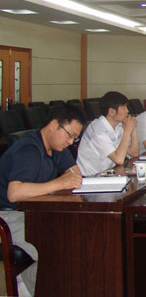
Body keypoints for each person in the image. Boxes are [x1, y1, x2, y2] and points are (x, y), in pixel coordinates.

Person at [0, 105, 86, 296]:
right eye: (70, 135)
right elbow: (14, 193)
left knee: (75, 238)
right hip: (8, 214)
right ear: (54, 125)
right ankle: (27, 289)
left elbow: (75, 175)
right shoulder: (28, 149)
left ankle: (29, 285)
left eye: (75, 138)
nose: (70, 142)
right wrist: (58, 183)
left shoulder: (57, 146)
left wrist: (64, 181)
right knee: (53, 247)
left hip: (33, 211)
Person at [76, 91, 139, 176]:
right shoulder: (97, 129)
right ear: (112, 111)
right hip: (90, 177)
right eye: (123, 107)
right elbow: (119, 160)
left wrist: (133, 130)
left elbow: (134, 153)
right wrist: (127, 131)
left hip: (107, 172)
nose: (127, 111)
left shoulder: (119, 126)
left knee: (134, 175)